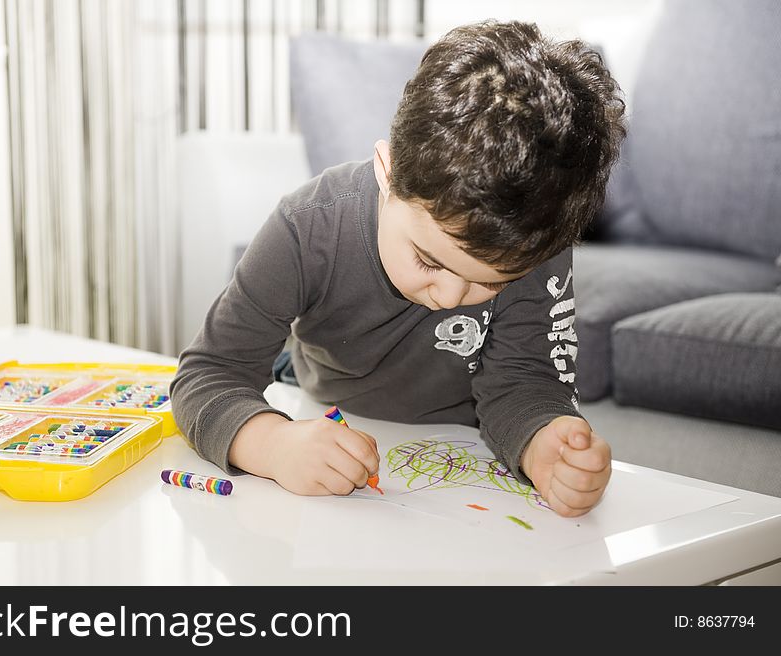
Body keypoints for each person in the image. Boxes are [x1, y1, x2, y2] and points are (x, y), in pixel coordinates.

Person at [170, 20, 626, 517]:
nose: (450, 297)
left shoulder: (532, 239)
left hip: (462, 455)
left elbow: (524, 381)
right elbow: (209, 373)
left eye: (492, 282)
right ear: (387, 173)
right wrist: (274, 445)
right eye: (428, 261)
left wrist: (546, 444)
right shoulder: (307, 228)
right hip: (324, 410)